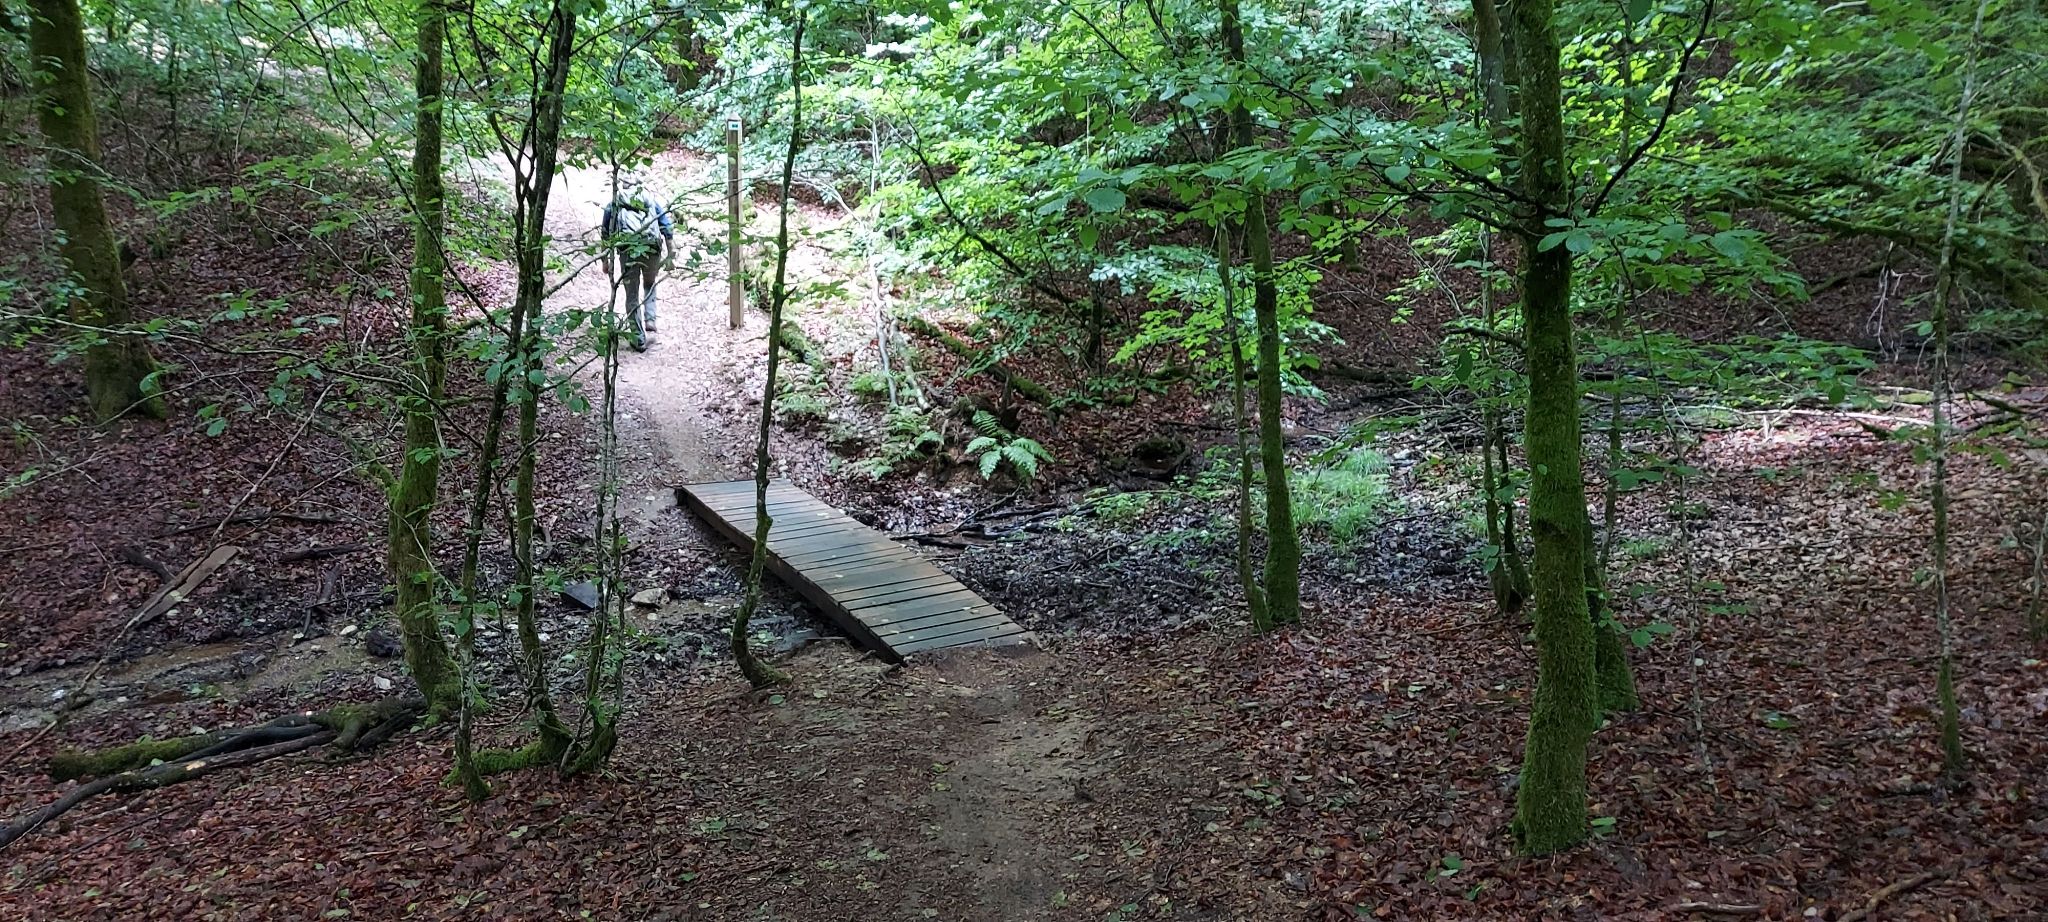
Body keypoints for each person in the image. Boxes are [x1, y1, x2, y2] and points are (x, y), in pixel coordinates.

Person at [601, 179, 674, 351]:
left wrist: (605, 260)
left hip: (628, 250)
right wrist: (670, 255)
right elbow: (666, 228)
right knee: (650, 283)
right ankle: (650, 319)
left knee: (631, 294)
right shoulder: (651, 200)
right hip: (652, 248)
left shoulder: (615, 204)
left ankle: (638, 338)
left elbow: (605, 233)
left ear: (623, 187)